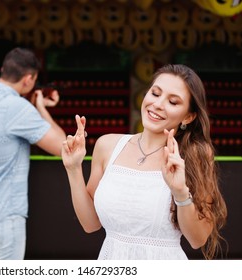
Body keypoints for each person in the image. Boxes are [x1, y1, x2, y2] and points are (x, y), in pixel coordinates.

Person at [61, 64, 227, 260]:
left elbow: (197, 239)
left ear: (189, 116)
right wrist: (73, 168)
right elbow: (90, 224)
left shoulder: (195, 155)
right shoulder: (107, 145)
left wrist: (180, 192)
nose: (157, 104)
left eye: (173, 102)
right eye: (155, 94)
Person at [0, 47, 66, 260]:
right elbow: (63, 147)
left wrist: (33, 105)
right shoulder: (17, 109)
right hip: (0, 222)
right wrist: (41, 109)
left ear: (3, 69)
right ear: (28, 80)